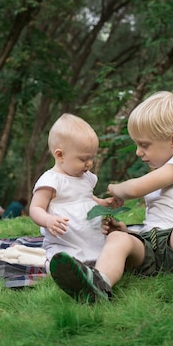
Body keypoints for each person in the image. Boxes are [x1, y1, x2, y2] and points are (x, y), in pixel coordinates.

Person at [50, 91, 173, 302]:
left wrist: (115, 188)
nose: (138, 152)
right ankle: (99, 282)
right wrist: (128, 232)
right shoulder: (163, 169)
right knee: (118, 238)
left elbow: (134, 189)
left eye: (144, 145)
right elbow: (157, 218)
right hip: (153, 246)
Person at [29, 114, 120, 269]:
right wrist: (47, 220)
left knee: (103, 252)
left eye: (92, 158)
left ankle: (100, 265)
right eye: (83, 159)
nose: (89, 164)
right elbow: (35, 208)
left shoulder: (86, 177)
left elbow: (85, 197)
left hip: (90, 236)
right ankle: (63, 269)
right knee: (62, 258)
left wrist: (102, 203)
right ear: (60, 155)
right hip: (65, 241)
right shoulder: (51, 181)